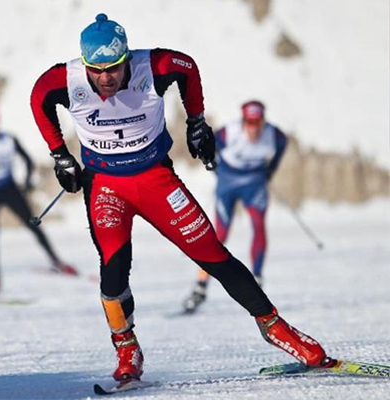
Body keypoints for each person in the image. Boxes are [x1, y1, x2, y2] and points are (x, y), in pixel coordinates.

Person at [30, 13, 333, 383]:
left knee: (213, 254)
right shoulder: (66, 79)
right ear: (85, 64)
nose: (105, 78)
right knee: (112, 271)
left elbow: (186, 67)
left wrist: (196, 121)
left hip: (155, 181)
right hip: (106, 187)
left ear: (127, 58)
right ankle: (126, 349)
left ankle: (276, 329)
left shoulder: (153, 66)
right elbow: (38, 98)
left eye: (114, 68)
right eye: (96, 70)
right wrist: (59, 154)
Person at [0, 104, 77, 294]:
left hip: (9, 190)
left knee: (33, 225)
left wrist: (26, 183)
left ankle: (56, 261)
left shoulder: (8, 140)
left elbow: (27, 161)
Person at [183, 100, 288, 313]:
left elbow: (282, 143)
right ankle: (201, 285)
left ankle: (257, 279)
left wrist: (271, 169)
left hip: (254, 183)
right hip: (228, 182)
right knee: (219, 235)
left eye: (257, 123)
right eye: (249, 123)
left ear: (263, 121)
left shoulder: (273, 134)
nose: (253, 128)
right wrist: (214, 167)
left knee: (258, 226)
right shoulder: (229, 132)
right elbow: (208, 144)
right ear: (243, 121)